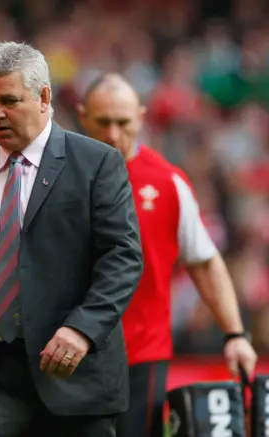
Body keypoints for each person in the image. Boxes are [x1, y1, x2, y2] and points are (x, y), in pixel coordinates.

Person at [0, 42, 144, 437]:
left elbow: (122, 258)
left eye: (9, 100)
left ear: (44, 97)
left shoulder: (96, 163)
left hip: (75, 376)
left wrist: (83, 328)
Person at [76, 73, 258, 437]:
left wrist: (234, 333)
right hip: (70, 352)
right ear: (83, 116)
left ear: (141, 118)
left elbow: (204, 260)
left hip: (142, 353)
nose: (113, 134)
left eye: (123, 123)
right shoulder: (58, 176)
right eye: (102, 122)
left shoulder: (167, 182)